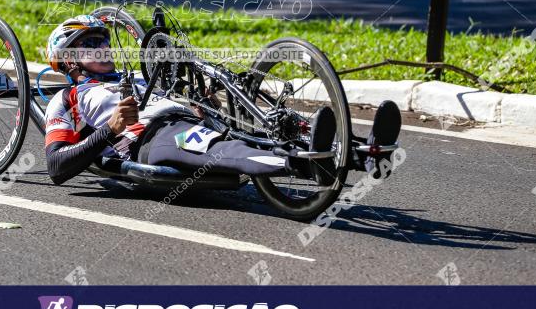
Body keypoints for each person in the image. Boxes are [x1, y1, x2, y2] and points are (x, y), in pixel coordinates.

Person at [42, 15, 400, 185]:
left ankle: (363, 153)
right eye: (90, 45)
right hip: (152, 139)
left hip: (189, 119)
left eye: (103, 41)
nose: (103, 48)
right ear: (69, 59)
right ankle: (303, 165)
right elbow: (57, 168)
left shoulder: (133, 78)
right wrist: (111, 128)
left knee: (255, 124)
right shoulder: (68, 97)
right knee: (223, 149)